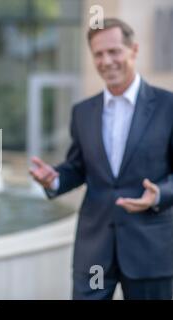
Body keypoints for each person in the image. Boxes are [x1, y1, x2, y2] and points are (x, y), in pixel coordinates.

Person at [30, 18, 173, 300]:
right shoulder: (83, 112)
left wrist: (160, 195)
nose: (106, 61)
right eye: (98, 54)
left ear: (133, 50)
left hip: (151, 251)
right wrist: (55, 179)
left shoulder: (168, 106)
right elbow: (78, 168)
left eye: (114, 51)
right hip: (94, 251)